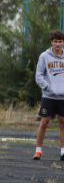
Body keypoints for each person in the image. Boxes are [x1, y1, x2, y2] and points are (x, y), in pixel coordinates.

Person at [33, 30, 64, 161]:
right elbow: (38, 76)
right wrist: (47, 88)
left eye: (60, 41)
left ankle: (63, 152)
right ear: (51, 42)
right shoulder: (44, 56)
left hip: (63, 97)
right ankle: (38, 151)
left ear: (63, 42)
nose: (57, 44)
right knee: (44, 122)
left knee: (63, 123)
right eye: (55, 41)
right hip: (48, 97)